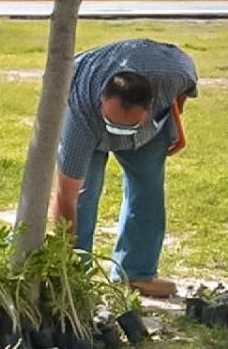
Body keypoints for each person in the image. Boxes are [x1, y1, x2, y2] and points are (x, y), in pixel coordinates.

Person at [50, 39, 197, 297]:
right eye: (114, 124)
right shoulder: (81, 114)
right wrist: (67, 259)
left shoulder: (174, 73)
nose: (118, 135)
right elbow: (65, 195)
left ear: (149, 107)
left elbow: (187, 86)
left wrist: (175, 120)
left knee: (149, 192)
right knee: (83, 195)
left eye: (126, 127)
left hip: (149, 134)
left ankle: (137, 274)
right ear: (101, 102)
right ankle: (74, 276)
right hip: (90, 127)